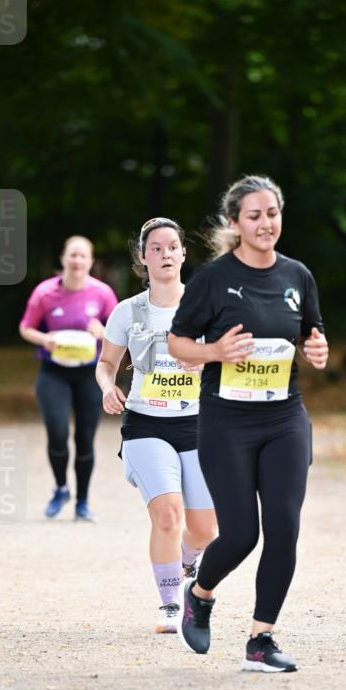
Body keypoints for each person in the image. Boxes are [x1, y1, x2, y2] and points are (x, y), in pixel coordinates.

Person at [168, 175, 329, 673]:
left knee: (283, 528)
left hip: (284, 417)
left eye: (272, 214)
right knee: (240, 534)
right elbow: (177, 342)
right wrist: (215, 351)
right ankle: (199, 594)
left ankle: (261, 640)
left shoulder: (297, 276)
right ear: (235, 223)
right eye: (255, 216)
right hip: (227, 422)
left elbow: (312, 333)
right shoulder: (213, 279)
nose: (266, 224)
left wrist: (317, 348)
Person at [96, 217, 217, 634]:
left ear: (183, 254)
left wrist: (205, 362)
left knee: (205, 530)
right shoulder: (127, 311)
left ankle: (184, 561)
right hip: (146, 423)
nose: (165, 254)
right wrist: (108, 386)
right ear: (143, 257)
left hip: (198, 424)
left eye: (172, 247)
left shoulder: (205, 306)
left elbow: (228, 359)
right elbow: (106, 362)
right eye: (156, 248)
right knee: (167, 514)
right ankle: (170, 604)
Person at [19, 236, 118, 520]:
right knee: (57, 432)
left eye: (82, 256)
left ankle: (82, 502)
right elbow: (26, 327)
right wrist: (44, 339)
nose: (77, 261)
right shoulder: (45, 293)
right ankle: (61, 487)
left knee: (85, 437)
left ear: (90, 261)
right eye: (72, 255)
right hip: (54, 373)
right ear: (63, 259)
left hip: (89, 373)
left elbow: (121, 332)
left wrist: (103, 332)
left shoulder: (102, 294)